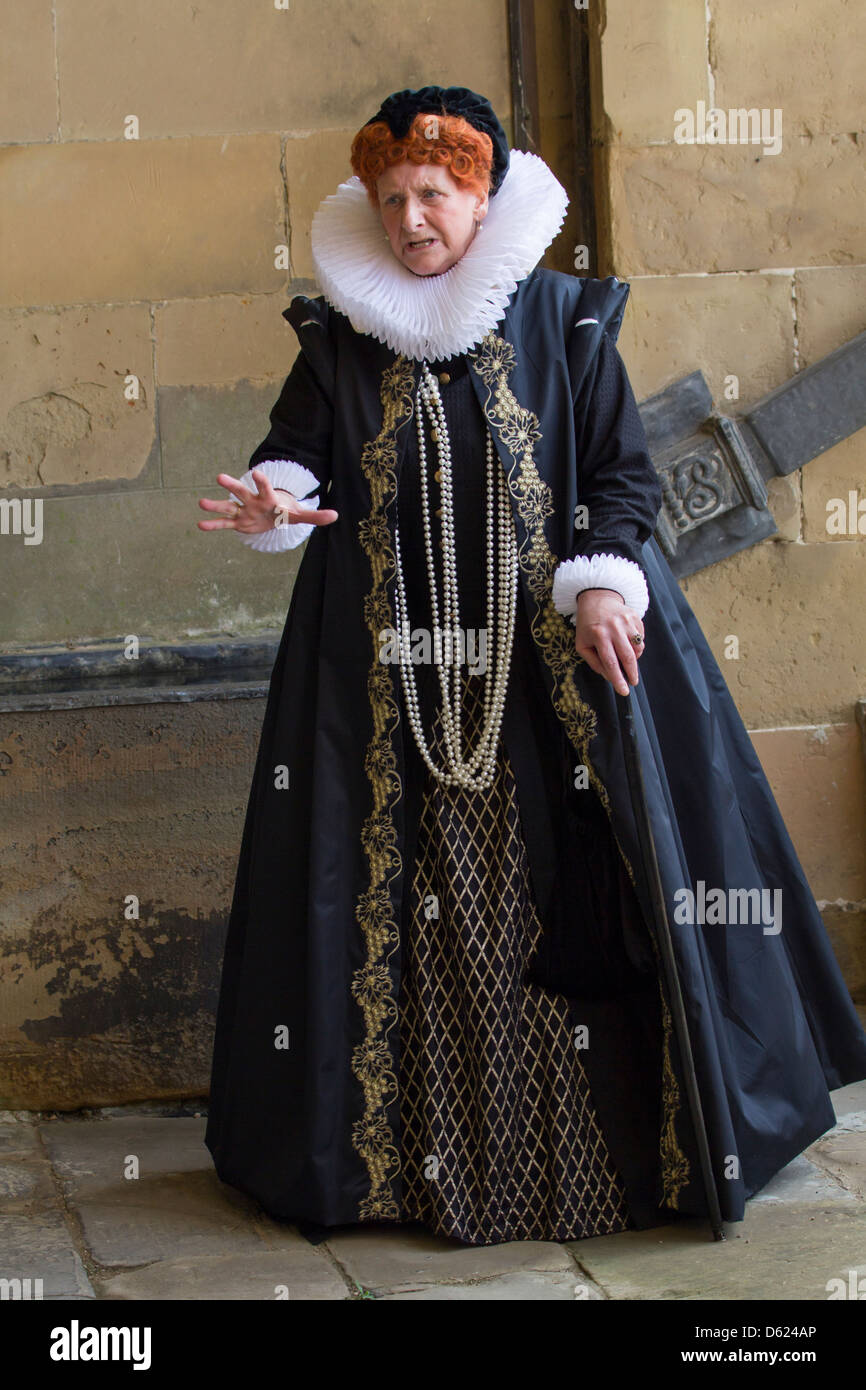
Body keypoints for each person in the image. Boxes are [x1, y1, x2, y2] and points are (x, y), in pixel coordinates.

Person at [198, 85, 866, 1248]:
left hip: (545, 689)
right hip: (387, 699)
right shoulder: (341, 341)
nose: (411, 220)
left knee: (569, 898)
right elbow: (294, 460)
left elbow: (621, 478)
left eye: (436, 194)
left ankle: (604, 1170)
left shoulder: (562, 318)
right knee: (408, 919)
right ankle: (400, 1175)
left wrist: (602, 577)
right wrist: (278, 497)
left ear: (482, 194)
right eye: (393, 197)